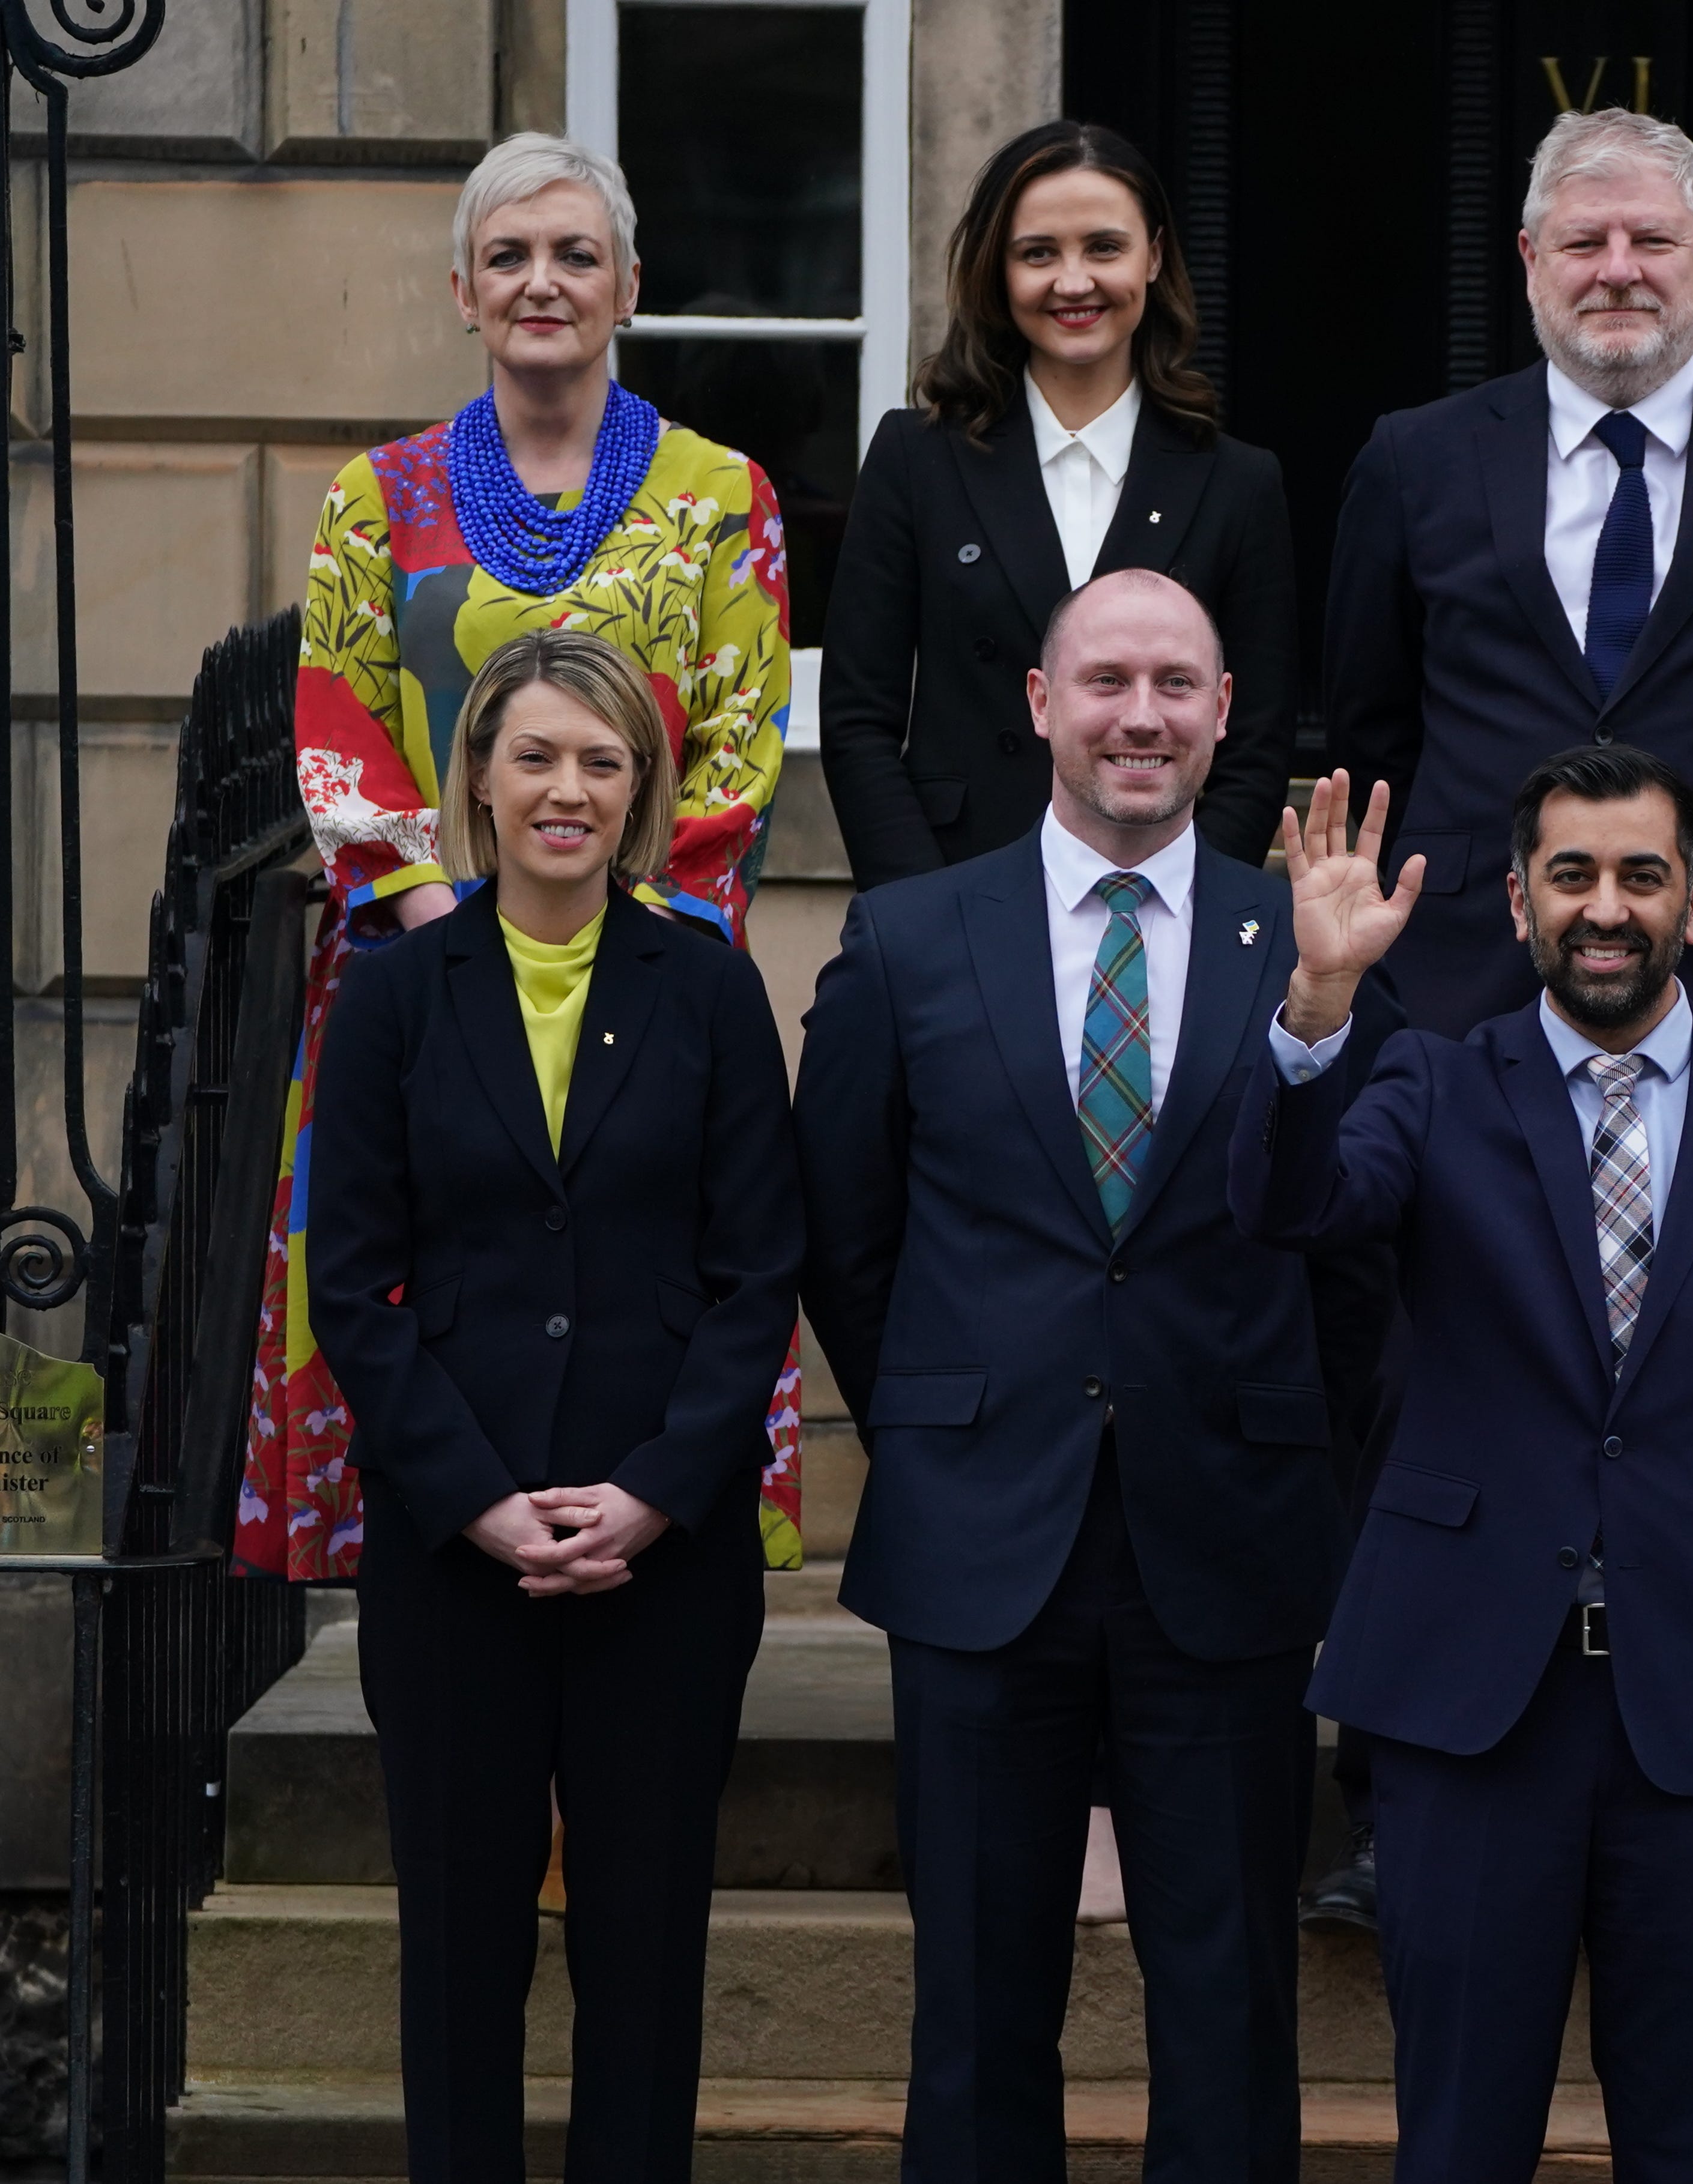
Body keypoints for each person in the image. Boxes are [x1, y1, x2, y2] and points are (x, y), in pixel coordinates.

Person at [1232, 748, 1693, 2182]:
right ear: (1522, 902)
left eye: (1640, 876)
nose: (1607, 907)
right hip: (1471, 1707)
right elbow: (1290, 1205)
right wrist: (1317, 1002)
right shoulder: (1423, 1081)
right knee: (1461, 2137)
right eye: (1573, 875)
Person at [795, 569, 1352, 2182]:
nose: (1141, 714)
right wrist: (950, 1403)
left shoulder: (1302, 940)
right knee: (973, 2009)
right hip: (982, 1542)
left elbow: (1358, 1247)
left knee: (1230, 2004)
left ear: (1227, 712)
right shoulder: (910, 934)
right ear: (1042, 704)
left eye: (1178, 681)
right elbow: (846, 1226)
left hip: (1230, 1541)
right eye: (1105, 678)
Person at [244, 131, 799, 1584]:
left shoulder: (723, 495)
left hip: (655, 974)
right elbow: (342, 735)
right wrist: (450, 935)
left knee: (649, 1289)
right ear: (461, 290)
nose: (540, 282)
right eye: (509, 257)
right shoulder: (378, 500)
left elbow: (737, 749)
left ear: (628, 286)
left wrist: (603, 917)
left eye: (574, 255)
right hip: (416, 973)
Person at [309, 629, 804, 2183]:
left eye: (602, 760)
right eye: (536, 755)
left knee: (645, 1954)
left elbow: (759, 1271)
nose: (568, 789)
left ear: (643, 789)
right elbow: (354, 1287)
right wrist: (476, 1495)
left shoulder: (710, 989)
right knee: (460, 1950)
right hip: (457, 1553)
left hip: (665, 1550)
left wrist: (655, 1488)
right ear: (481, 779)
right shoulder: (393, 998)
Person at [1321, 106, 1693, 1065]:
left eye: (1652, 240)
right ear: (1531, 259)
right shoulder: (1413, 459)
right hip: (1468, 967)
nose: (1618, 269)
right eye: (1583, 240)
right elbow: (1371, 723)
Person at [826, 121, 1298, 880]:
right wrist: (916, 917)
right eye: (1038, 253)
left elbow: (1255, 744)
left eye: (1104, 248)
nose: (1073, 281)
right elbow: (857, 721)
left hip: (1156, 909)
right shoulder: (915, 458)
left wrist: (1186, 908)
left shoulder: (1237, 483)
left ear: (1153, 258)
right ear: (996, 270)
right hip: (955, 883)